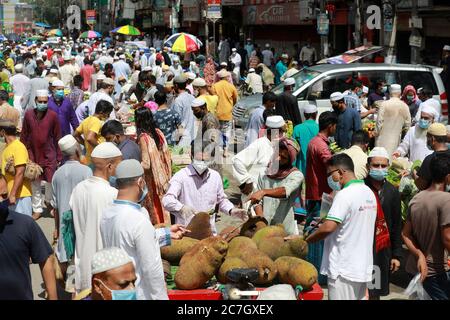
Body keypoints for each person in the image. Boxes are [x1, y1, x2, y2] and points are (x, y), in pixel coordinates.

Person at [306, 154, 377, 300]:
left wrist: (307, 240)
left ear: (340, 172)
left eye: (329, 174)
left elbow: (328, 228)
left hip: (343, 269)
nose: (329, 179)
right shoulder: (368, 193)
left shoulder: (345, 195)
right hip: (362, 268)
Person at [100, 160, 169, 300]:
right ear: (140, 182)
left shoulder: (106, 213)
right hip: (139, 293)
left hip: (118, 292)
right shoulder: (138, 220)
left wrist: (166, 234)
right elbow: (151, 268)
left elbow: (127, 242)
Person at [70, 142, 123, 294]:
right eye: (119, 163)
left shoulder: (78, 188)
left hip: (82, 264)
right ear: (110, 166)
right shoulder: (112, 194)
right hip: (103, 267)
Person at [163, 140, 247, 233]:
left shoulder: (215, 177)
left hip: (209, 232)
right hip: (186, 232)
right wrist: (181, 207)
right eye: (199, 160)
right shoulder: (181, 176)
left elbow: (222, 200)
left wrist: (231, 210)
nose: (202, 163)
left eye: (205, 160)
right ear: (191, 156)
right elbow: (167, 200)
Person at [402, 153, 450, 300]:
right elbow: (447, 238)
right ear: (448, 177)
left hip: (415, 269)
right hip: (437, 271)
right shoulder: (446, 200)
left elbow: (405, 234)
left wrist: (419, 254)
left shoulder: (417, 198)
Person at [0, 174, 57, 300]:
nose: (1, 200)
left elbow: (45, 259)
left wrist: (53, 297)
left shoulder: (24, 224)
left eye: (4, 195)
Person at [364, 147, 402, 300]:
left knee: (374, 289)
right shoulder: (360, 188)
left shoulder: (392, 192)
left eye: (383, 166)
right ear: (368, 167)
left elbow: (396, 225)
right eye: (376, 165)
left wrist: (396, 255)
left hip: (380, 251)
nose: (380, 169)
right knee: (359, 289)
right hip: (361, 247)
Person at [51, 135, 92, 277]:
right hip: (82, 224)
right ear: (76, 149)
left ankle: (72, 290)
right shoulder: (86, 171)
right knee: (81, 262)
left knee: (70, 263)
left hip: (64, 226)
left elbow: (55, 207)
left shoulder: (57, 174)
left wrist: (56, 228)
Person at [304, 112, 337, 282]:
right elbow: (331, 167)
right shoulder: (323, 147)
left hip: (313, 193)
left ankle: (311, 268)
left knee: (312, 229)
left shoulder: (313, 142)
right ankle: (317, 273)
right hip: (321, 196)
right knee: (319, 233)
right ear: (330, 125)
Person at [21, 89, 62, 220]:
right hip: (32, 154)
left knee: (50, 181)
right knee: (35, 183)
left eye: (45, 102)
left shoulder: (53, 116)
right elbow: (24, 135)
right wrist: (23, 153)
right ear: (35, 101)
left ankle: (48, 201)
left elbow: (57, 137)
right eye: (40, 101)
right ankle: (37, 209)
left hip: (49, 154)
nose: (43, 104)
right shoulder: (28, 115)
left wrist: (59, 156)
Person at [248, 138, 303, 235]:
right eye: (277, 154)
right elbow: (257, 201)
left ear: (290, 160)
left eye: (284, 157)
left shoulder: (296, 175)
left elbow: (285, 191)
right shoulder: (264, 173)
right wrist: (261, 220)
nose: (278, 159)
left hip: (284, 230)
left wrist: (263, 192)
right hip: (266, 229)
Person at [234, 116, 285, 210]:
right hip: (254, 196)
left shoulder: (279, 146)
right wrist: (247, 181)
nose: (283, 134)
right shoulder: (259, 144)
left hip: (269, 197)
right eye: (282, 132)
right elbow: (237, 161)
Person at [135, 107, 172, 225]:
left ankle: (159, 227)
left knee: (154, 204)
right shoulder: (158, 133)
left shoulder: (143, 138)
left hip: (152, 179)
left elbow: (146, 164)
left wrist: (133, 165)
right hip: (163, 176)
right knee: (163, 202)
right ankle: (167, 225)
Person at [0, 120, 32, 216]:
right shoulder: (6, 147)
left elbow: (20, 172)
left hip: (20, 196)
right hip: (10, 197)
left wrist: (13, 194)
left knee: (23, 228)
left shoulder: (18, 147)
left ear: (3, 132)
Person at [375, 84, 411, 156]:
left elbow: (379, 122)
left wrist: (376, 133)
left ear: (390, 92)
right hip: (396, 140)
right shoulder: (405, 106)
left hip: (382, 140)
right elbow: (407, 126)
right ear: (400, 93)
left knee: (381, 160)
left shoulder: (384, 104)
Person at [74, 99, 113, 165]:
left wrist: (84, 143)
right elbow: (90, 138)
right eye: (107, 114)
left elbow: (75, 134)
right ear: (101, 112)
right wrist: (100, 148)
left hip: (89, 156)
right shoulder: (97, 122)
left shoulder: (86, 120)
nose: (108, 116)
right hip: (97, 157)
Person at [211, 70, 238, 157]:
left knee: (217, 132)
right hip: (227, 114)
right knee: (226, 132)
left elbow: (212, 99)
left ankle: (217, 150)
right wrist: (230, 106)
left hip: (217, 113)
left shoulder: (214, 86)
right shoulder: (231, 86)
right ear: (227, 77)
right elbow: (235, 99)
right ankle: (225, 151)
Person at [415, 123, 449, 190]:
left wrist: (413, 173)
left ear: (433, 139)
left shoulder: (430, 159)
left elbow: (420, 185)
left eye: (427, 137)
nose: (427, 140)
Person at [292, 104, 319, 174]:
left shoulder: (297, 128)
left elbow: (293, 149)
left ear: (304, 114)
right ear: (316, 114)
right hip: (317, 167)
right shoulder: (320, 128)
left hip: (301, 168)